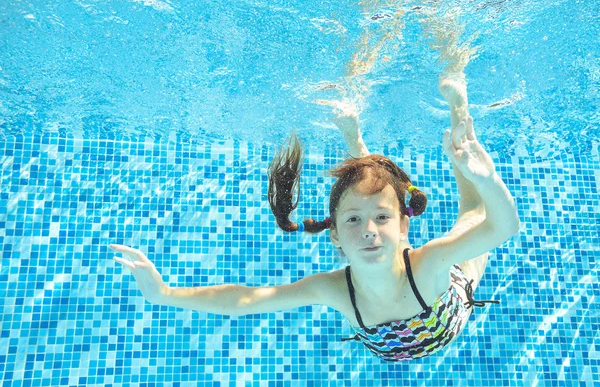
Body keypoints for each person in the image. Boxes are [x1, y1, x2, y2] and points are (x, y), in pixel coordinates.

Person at [111, 69, 520, 362]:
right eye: (353, 222)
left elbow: (504, 226)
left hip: (451, 305)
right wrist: (163, 294)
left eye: (383, 219)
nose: (369, 233)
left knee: (474, 209)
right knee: (364, 190)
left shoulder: (430, 261)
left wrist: (485, 179)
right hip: (413, 336)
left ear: (403, 225)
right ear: (336, 236)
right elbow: (248, 299)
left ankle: (458, 110)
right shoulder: (334, 289)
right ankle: (355, 143)